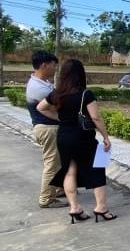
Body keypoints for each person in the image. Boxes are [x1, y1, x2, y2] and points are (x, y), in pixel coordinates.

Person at [37, 59, 117, 224]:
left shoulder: (57, 93)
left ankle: (74, 208)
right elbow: (95, 117)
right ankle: (101, 207)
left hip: (63, 137)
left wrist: (59, 118)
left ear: (64, 75)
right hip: (83, 138)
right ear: (81, 74)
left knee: (69, 171)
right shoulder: (86, 94)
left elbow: (40, 107)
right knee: (98, 169)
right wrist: (106, 137)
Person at [25, 50, 66, 208]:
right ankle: (46, 199)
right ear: (44, 65)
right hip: (48, 128)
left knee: (58, 161)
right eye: (53, 65)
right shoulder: (39, 88)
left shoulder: (41, 82)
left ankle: (58, 189)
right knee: (51, 164)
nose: (55, 68)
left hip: (48, 127)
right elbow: (58, 107)